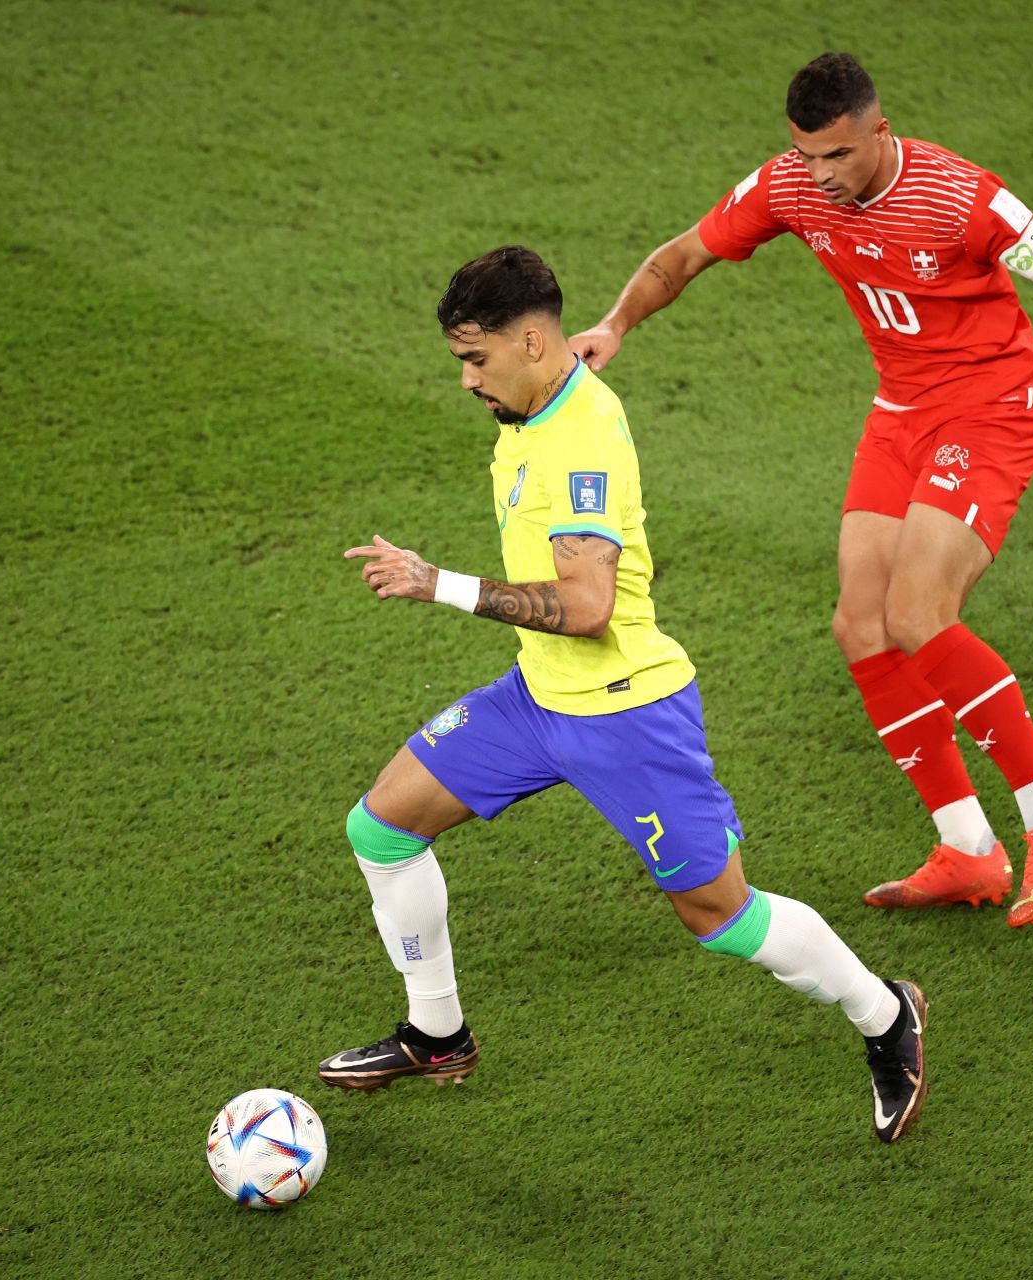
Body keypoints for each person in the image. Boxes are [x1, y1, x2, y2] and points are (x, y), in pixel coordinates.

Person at [319, 245, 930, 1142]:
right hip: (537, 700)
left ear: (530, 341)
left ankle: (887, 1014)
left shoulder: (580, 442)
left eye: (473, 358)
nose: (464, 380)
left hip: (625, 714)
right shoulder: (531, 403)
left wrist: (434, 582)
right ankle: (436, 1034)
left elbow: (589, 605)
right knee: (381, 827)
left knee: (721, 916)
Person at [569, 53, 1033, 928]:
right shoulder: (789, 187)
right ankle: (967, 846)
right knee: (860, 623)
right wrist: (615, 323)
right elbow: (686, 254)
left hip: (987, 411)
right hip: (902, 411)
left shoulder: (959, 195)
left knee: (919, 615)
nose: (820, 177)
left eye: (838, 157)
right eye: (806, 156)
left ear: (878, 133)